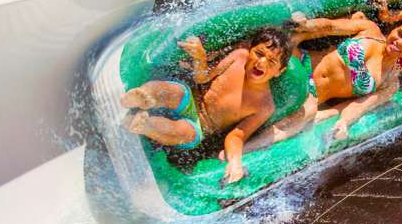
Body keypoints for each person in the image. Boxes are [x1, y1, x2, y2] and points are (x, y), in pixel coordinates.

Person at [239, 12, 402, 153]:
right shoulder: (369, 30)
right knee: (271, 51)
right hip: (303, 62)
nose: (400, 42)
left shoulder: (390, 83)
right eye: (401, 33)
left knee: (306, 114)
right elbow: (329, 26)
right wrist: (305, 26)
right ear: (394, 28)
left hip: (311, 95)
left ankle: (243, 149)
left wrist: (343, 122)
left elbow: (358, 106)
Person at [121, 27, 291, 185]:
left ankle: (145, 124)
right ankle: (142, 96)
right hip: (191, 99)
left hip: (200, 127)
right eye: (258, 53)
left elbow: (236, 136)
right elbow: (203, 77)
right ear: (250, 50)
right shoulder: (239, 57)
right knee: (173, 92)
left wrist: (235, 162)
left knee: (183, 133)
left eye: (271, 61)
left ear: (279, 71)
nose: (261, 63)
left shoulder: (264, 107)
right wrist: (200, 58)